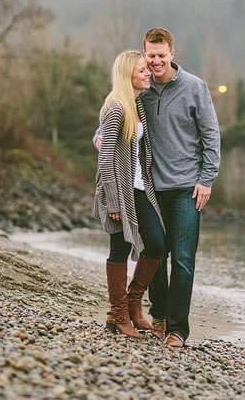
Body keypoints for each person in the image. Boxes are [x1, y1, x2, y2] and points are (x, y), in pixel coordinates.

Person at [95, 28, 221, 348]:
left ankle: (177, 330)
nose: (155, 62)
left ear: (172, 54)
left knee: (181, 258)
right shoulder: (143, 88)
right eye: (150, 56)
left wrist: (206, 179)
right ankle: (157, 315)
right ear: (144, 53)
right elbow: (114, 114)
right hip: (149, 188)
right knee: (156, 251)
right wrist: (99, 134)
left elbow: (211, 137)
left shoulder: (195, 88)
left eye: (161, 56)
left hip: (186, 188)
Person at [93, 50, 165, 339]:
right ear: (127, 75)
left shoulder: (137, 106)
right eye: (142, 70)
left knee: (157, 243)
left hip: (139, 188)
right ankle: (119, 315)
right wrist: (112, 199)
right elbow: (106, 157)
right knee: (120, 250)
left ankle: (134, 301)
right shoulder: (116, 109)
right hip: (118, 191)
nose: (148, 73)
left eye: (147, 69)